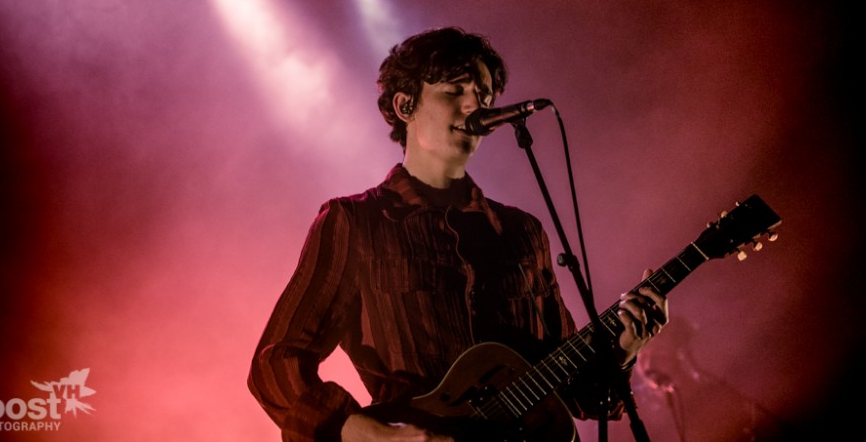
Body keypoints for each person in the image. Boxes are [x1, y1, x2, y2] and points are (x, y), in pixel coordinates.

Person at [248, 26, 668, 441]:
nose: (475, 105)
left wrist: (622, 350)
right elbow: (275, 364)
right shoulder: (356, 223)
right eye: (454, 91)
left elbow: (576, 397)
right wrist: (373, 436)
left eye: (484, 96)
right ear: (405, 105)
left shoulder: (522, 234)